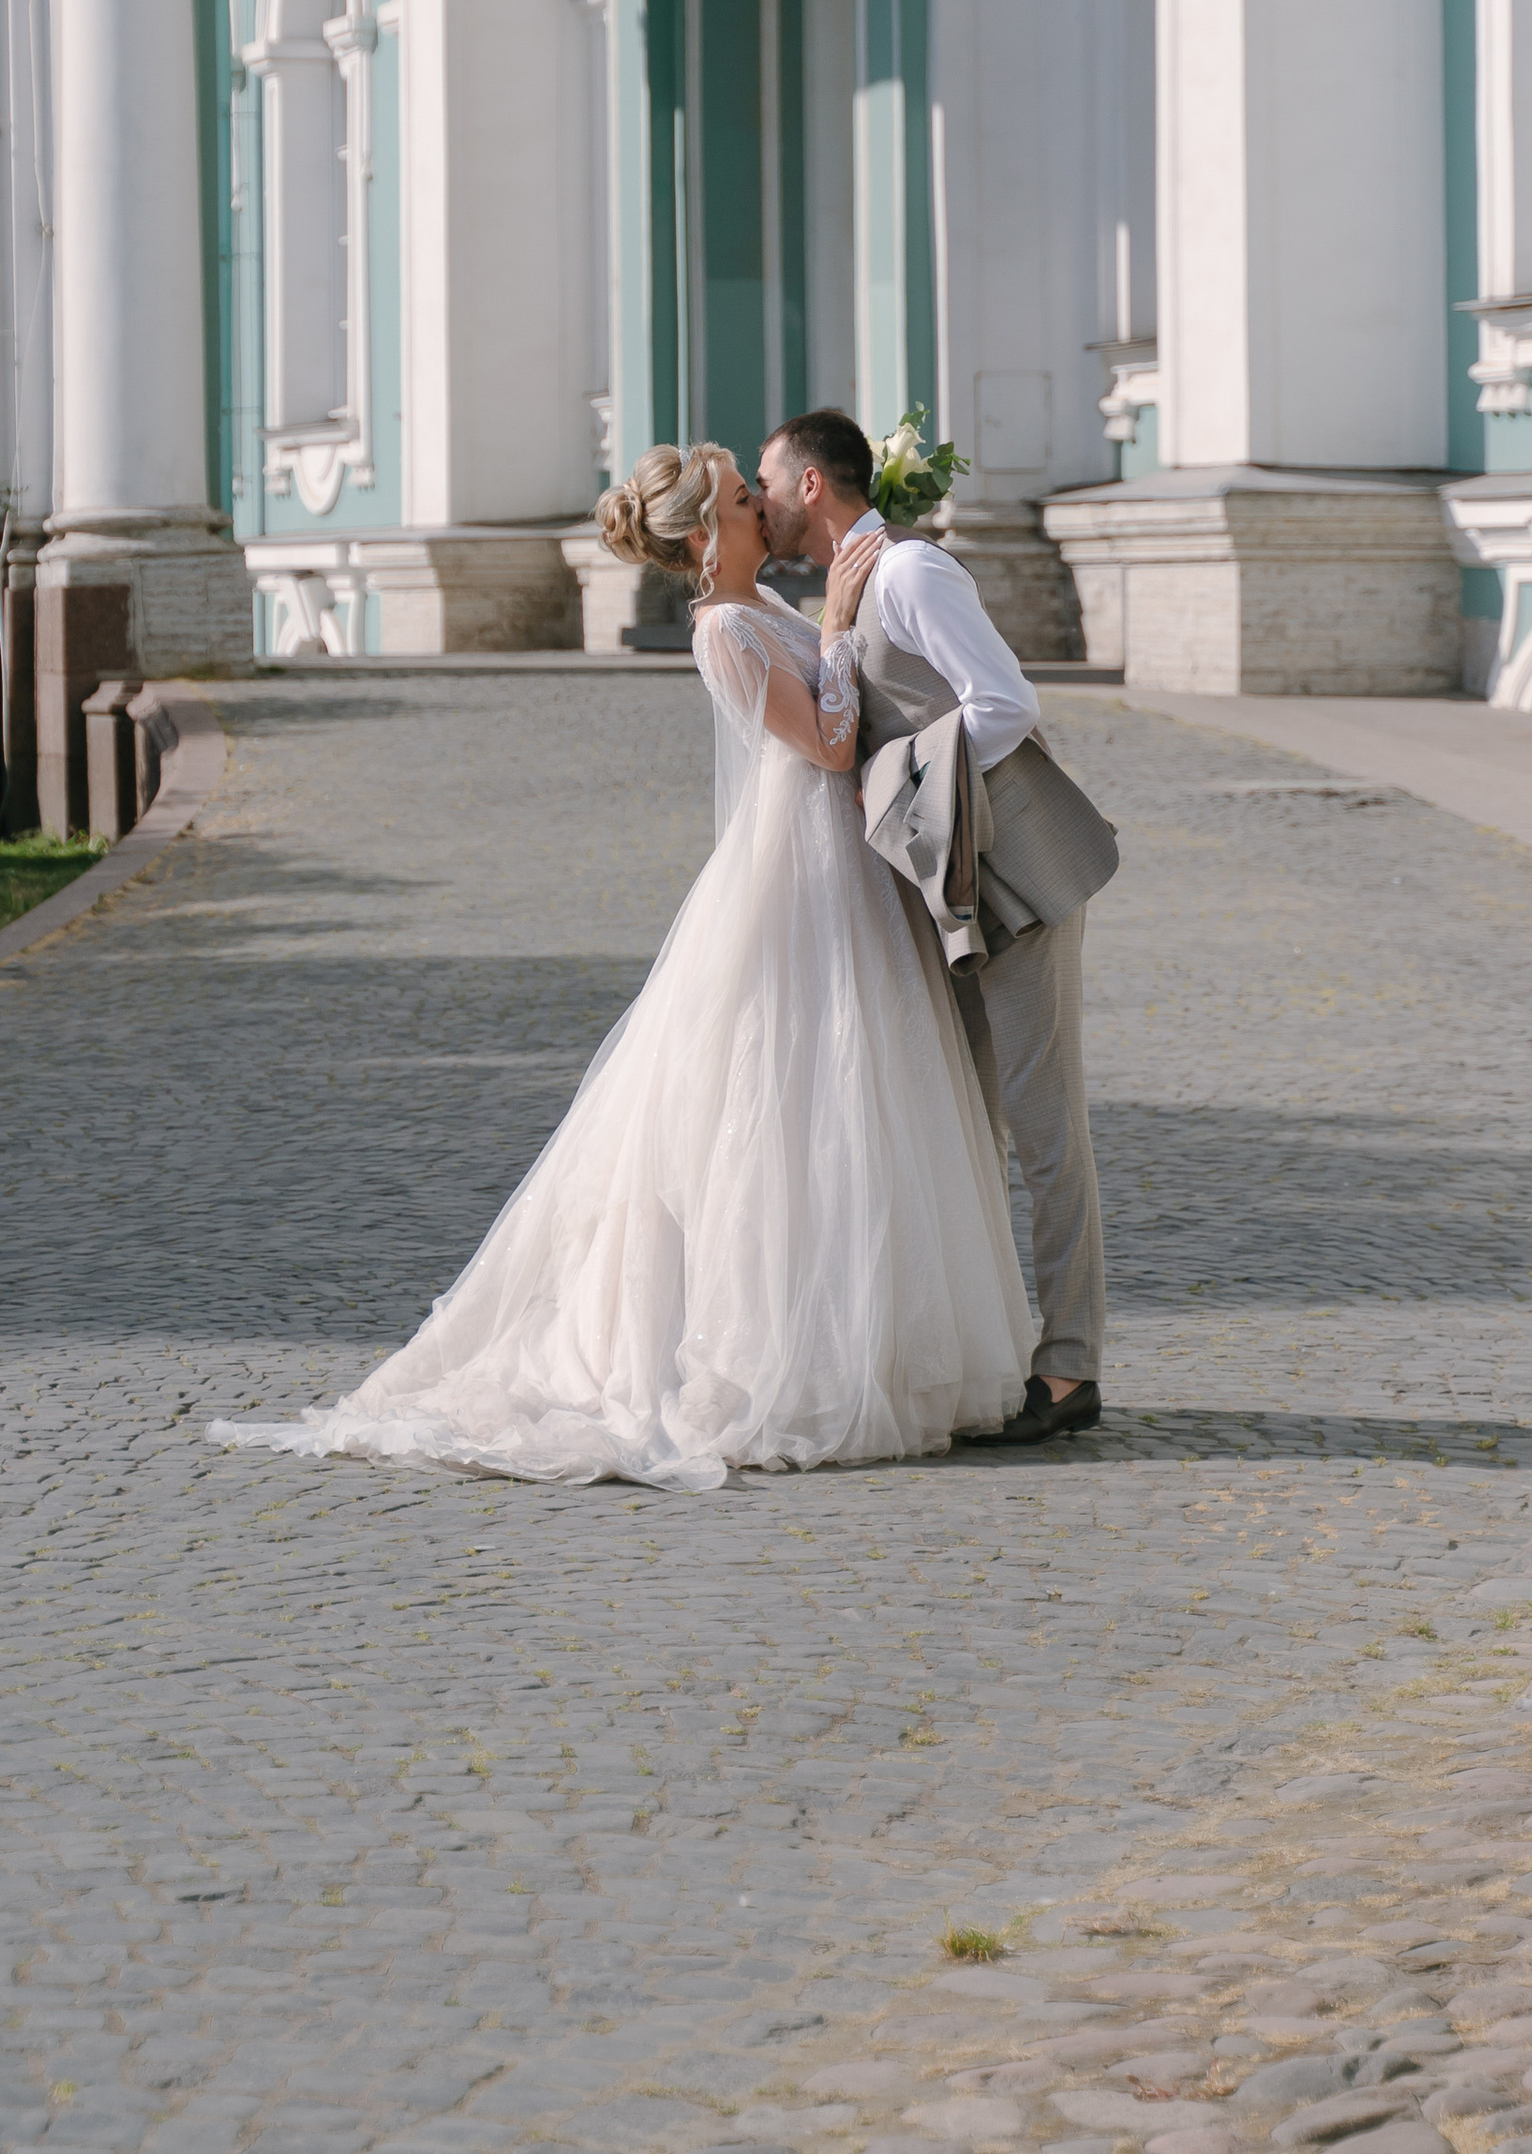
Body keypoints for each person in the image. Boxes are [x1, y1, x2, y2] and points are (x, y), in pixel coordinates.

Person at [207, 443, 1035, 1493]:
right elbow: (828, 744)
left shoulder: (760, 605)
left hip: (835, 872)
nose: (761, 506)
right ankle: (787, 1356)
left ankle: (886, 1342)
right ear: (706, 535)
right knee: (787, 1097)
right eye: (744, 500)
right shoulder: (724, 628)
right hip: (796, 878)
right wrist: (834, 625)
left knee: (853, 1098)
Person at [756, 408, 1117, 1446]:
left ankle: (1070, 1366)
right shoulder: (840, 586)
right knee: (962, 1120)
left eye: (771, 486)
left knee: (1045, 1126)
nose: (766, 506)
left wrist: (897, 785)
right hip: (942, 887)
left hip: (1015, 872)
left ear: (812, 487)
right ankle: (991, 1349)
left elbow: (1003, 704)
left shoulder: (911, 575)